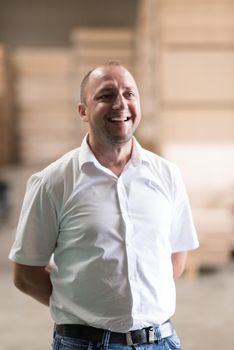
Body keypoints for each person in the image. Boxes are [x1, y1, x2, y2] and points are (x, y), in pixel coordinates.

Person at [9, 61, 199, 350]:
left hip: (161, 341)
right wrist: (81, 305)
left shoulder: (166, 174)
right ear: (83, 111)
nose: (120, 104)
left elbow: (175, 256)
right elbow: (26, 273)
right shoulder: (53, 182)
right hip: (84, 343)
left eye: (129, 93)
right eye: (105, 95)